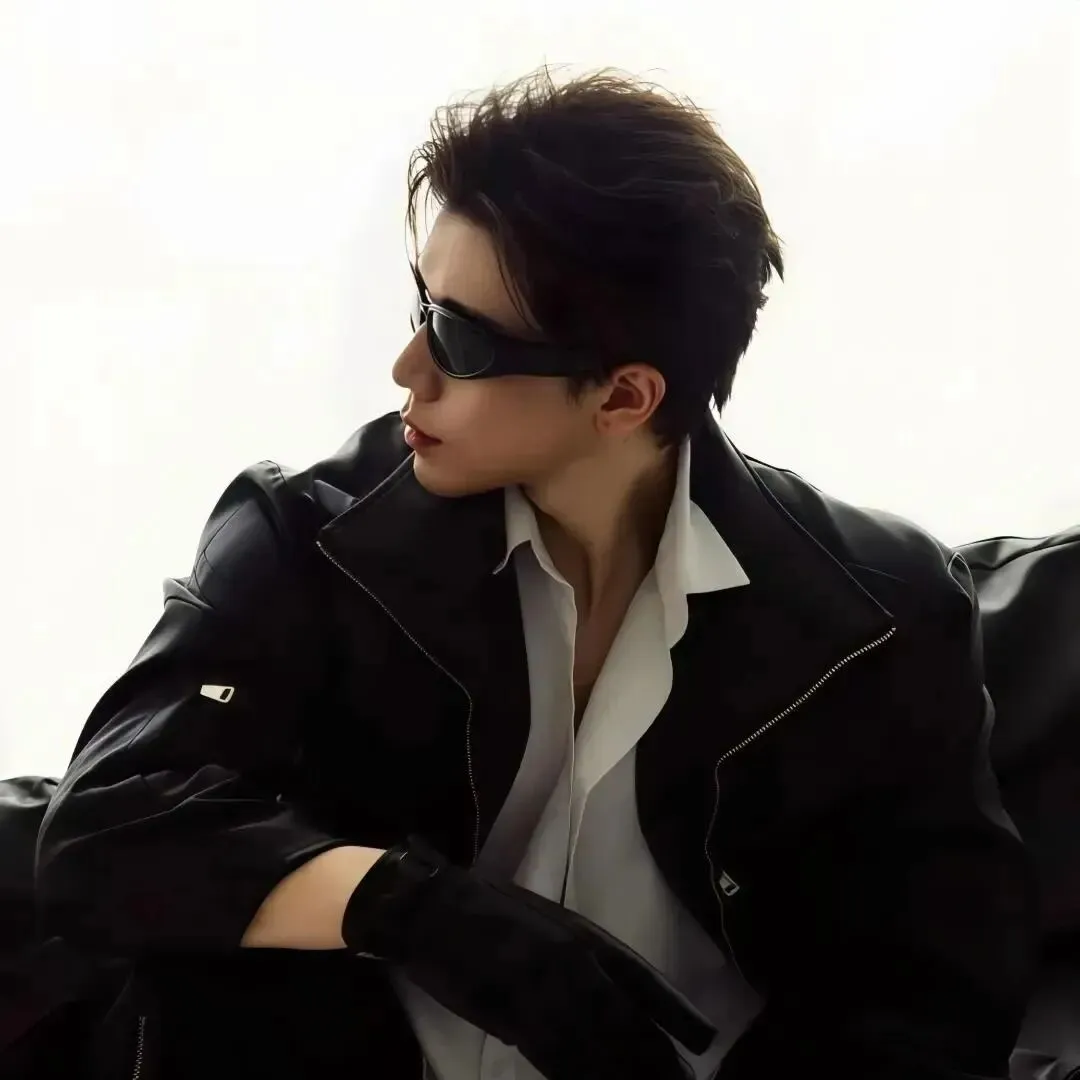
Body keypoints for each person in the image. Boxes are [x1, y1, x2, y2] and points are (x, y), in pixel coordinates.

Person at [35, 66, 1038, 1080]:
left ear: (623, 398)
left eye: (459, 339)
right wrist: (419, 911)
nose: (407, 368)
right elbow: (101, 834)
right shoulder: (313, 537)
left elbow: (933, 1000)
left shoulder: (878, 616)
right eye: (423, 304)